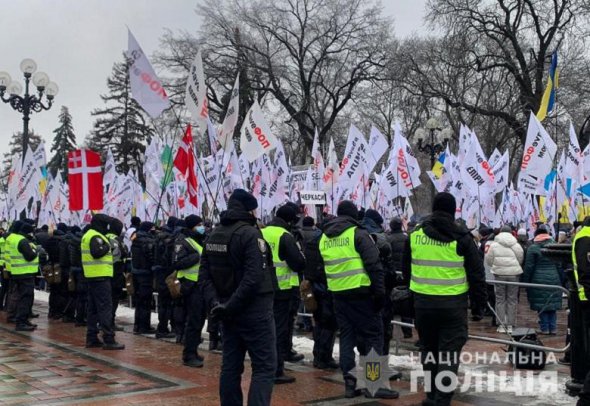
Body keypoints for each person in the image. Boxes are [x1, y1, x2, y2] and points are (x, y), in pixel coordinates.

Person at [403, 192, 487, 406]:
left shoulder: (415, 234)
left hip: (422, 304)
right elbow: (477, 275)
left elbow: (406, 270)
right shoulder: (462, 238)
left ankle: (432, 396)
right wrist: (479, 306)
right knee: (449, 355)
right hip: (453, 306)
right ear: (453, 210)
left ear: (433, 208)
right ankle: (442, 399)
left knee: (428, 351)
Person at [200, 189, 277, 406]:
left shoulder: (213, 234)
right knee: (264, 367)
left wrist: (218, 304)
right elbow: (254, 277)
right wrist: (229, 305)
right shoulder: (250, 234)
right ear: (248, 210)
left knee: (231, 367)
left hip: (227, 312)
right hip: (254, 311)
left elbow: (203, 277)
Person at [319, 200, 398, 399]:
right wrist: (380, 294)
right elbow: (374, 265)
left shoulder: (325, 237)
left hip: (339, 294)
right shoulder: (358, 233)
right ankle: (373, 384)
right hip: (362, 294)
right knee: (373, 337)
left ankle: (349, 384)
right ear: (354, 215)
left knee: (346, 338)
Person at [261, 203, 306, 384]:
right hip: (283, 289)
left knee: (269, 329)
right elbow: (298, 263)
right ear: (290, 219)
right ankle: (276, 370)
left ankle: (274, 361)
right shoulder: (284, 236)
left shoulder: (262, 232)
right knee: (279, 331)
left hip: (265, 289)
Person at [81, 214, 124, 350]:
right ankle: (109, 338)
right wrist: (108, 246)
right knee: (105, 308)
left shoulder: (89, 234)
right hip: (100, 276)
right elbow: (96, 252)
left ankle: (92, 337)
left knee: (93, 309)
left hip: (93, 276)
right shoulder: (95, 236)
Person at [301, 216, 338, 370]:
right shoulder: (326, 242)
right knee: (328, 324)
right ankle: (323, 358)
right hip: (325, 287)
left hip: (314, 286)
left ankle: (319, 355)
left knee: (320, 323)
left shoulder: (312, 242)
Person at [173, 214, 205, 367]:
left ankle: (193, 350)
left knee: (198, 320)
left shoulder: (198, 240)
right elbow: (177, 263)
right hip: (189, 285)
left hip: (199, 285)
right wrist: (196, 257)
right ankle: (189, 354)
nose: (202, 226)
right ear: (192, 226)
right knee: (192, 321)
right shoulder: (182, 241)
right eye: (199, 224)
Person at [521, 225, 562, 335]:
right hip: (554, 278)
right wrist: (561, 280)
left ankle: (544, 328)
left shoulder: (533, 248)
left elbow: (529, 267)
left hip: (537, 279)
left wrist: (525, 281)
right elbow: (559, 265)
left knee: (542, 305)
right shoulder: (555, 246)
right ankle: (553, 328)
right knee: (552, 305)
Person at [485, 225, 523, 334]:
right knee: (512, 300)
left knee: (500, 299)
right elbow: (520, 258)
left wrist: (496, 266)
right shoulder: (516, 245)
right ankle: (510, 324)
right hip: (514, 274)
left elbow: (489, 260)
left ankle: (501, 325)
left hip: (499, 274)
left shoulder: (494, 245)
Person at [7, 220, 40, 331]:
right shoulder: (22, 241)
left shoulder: (15, 239)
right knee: (25, 298)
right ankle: (21, 322)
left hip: (17, 272)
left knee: (22, 297)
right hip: (25, 273)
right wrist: (37, 251)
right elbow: (29, 256)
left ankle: (23, 319)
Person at [387, 217, 413, 339]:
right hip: (405, 274)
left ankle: (390, 331)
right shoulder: (407, 238)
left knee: (390, 304)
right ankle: (408, 332)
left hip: (393, 275)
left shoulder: (388, 239)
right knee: (406, 304)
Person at [153, 217, 178, 339]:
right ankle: (165, 328)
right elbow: (170, 259)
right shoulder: (169, 240)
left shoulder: (158, 238)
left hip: (159, 273)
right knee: (169, 302)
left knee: (163, 302)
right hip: (167, 273)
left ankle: (162, 328)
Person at [130, 221, 156, 334]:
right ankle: (144, 326)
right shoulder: (147, 241)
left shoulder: (135, 240)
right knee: (145, 301)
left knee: (139, 301)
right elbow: (151, 257)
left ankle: (137, 325)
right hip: (145, 274)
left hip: (136, 273)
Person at [106, 218, 127, 331]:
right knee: (113, 300)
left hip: (105, 272)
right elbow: (123, 253)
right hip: (116, 272)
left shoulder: (104, 236)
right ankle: (110, 322)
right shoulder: (116, 239)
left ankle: (105, 321)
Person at [68, 225, 87, 326]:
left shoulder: (73, 241)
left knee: (76, 295)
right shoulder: (82, 242)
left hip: (74, 269)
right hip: (82, 271)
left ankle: (76, 317)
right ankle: (80, 318)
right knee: (83, 296)